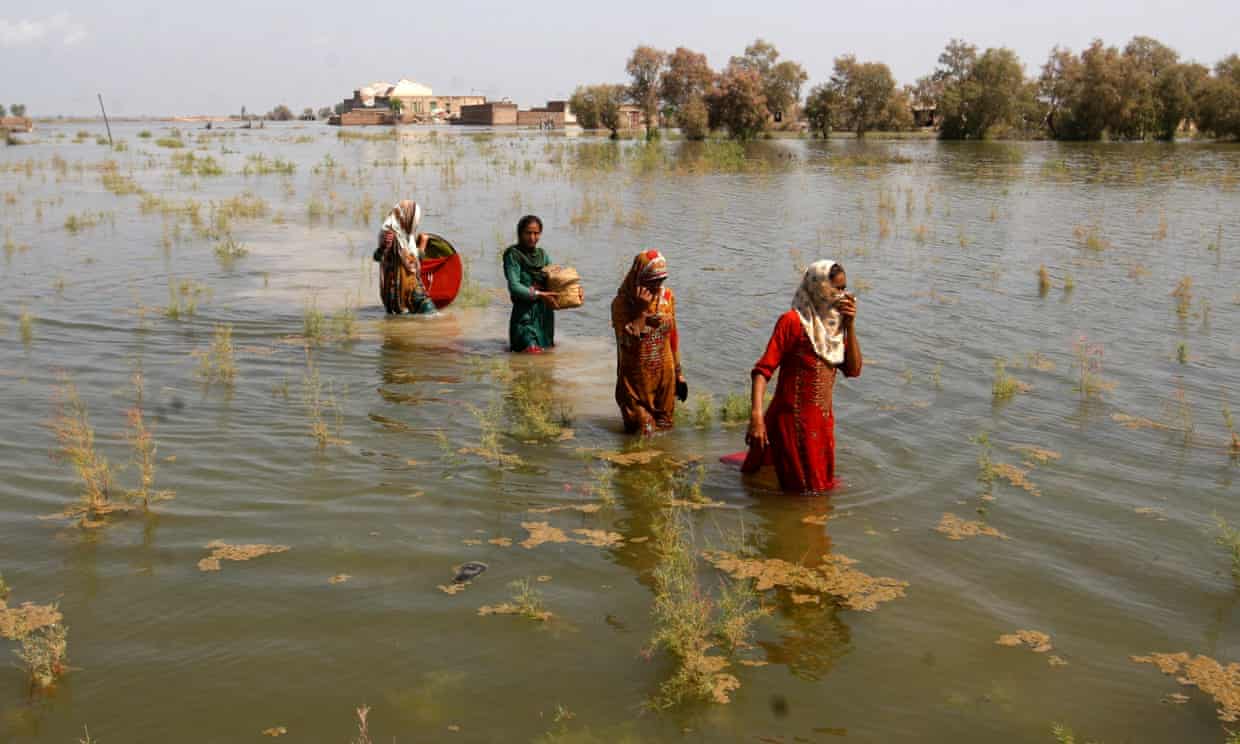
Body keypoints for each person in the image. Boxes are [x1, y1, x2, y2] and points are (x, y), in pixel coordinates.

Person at [741, 260, 862, 493]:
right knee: (803, 497)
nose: (843, 295)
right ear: (819, 288)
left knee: (818, 490)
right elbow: (762, 371)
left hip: (822, 424)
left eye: (844, 288)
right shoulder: (793, 322)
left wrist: (850, 327)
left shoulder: (834, 329)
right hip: (792, 422)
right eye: (836, 289)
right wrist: (756, 416)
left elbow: (854, 370)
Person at [611, 250, 687, 435]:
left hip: (664, 378)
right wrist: (641, 313)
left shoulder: (667, 297)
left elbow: (673, 336)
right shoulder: (621, 304)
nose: (656, 287)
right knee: (643, 435)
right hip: (635, 384)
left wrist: (679, 374)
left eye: (660, 280)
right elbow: (626, 342)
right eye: (651, 282)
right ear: (638, 278)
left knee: (666, 432)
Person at [502, 215, 556, 353]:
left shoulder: (543, 255)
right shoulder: (513, 255)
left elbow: (556, 279)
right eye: (528, 233)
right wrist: (539, 294)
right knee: (531, 353)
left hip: (544, 317)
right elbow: (514, 287)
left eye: (536, 233)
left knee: (546, 364)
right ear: (520, 233)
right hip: (524, 315)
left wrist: (573, 290)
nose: (532, 237)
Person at [375, 200, 436, 315]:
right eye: (415, 219)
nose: (416, 223)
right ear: (408, 216)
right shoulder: (395, 236)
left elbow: (379, 256)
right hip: (409, 290)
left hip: (390, 294)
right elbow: (411, 263)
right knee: (434, 318)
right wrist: (423, 244)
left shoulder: (389, 231)